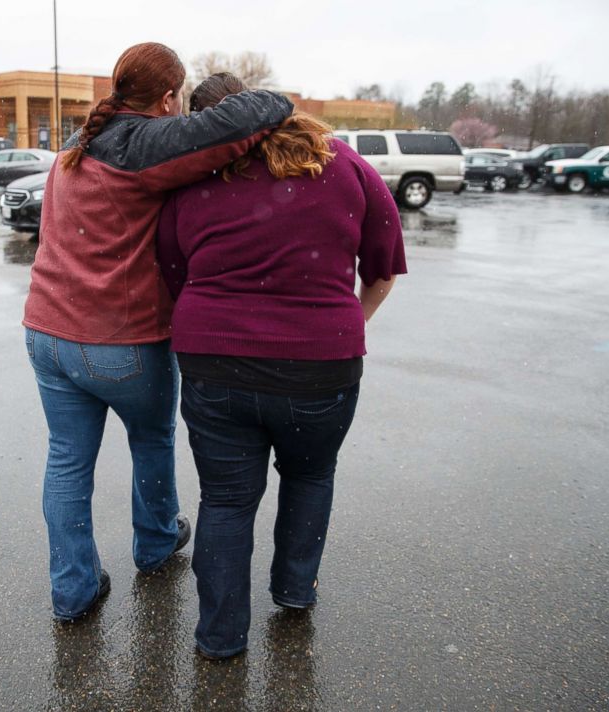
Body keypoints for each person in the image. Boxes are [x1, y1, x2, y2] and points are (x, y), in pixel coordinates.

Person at [23, 46, 293, 622]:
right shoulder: (144, 144)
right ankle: (155, 542)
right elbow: (256, 115)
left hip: (46, 333)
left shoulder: (77, 145)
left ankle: (72, 592)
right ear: (168, 99)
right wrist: (263, 99)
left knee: (67, 461)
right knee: (150, 441)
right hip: (118, 342)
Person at [157, 73, 406, 658]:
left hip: (215, 364)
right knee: (310, 475)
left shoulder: (195, 177)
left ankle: (219, 637)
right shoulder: (341, 163)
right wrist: (340, 328)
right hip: (322, 369)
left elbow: (173, 272)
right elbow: (384, 267)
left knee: (224, 501)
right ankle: (294, 590)